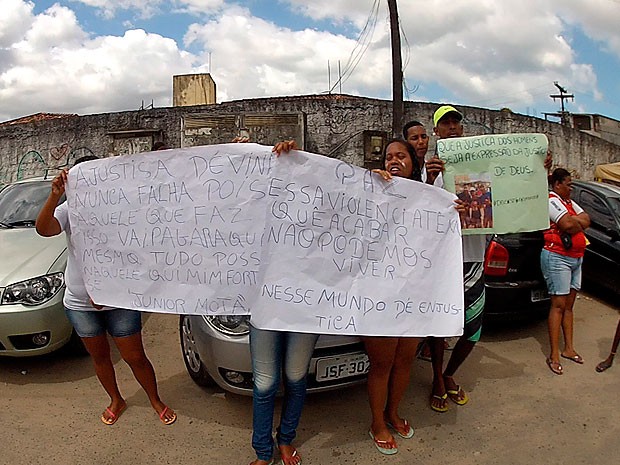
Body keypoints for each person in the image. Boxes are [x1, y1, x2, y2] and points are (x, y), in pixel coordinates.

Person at [35, 156, 176, 426]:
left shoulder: (124, 209)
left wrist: (108, 290)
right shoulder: (69, 209)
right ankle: (116, 399)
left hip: (119, 300)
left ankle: (154, 399)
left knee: (134, 357)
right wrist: (54, 196)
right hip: (79, 304)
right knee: (100, 357)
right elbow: (44, 229)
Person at [425, 105, 489, 413]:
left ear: (462, 129)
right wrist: (429, 180)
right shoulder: (433, 173)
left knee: (472, 330)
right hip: (446, 263)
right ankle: (437, 377)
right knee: (441, 326)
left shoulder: (484, 167)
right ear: (436, 132)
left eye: (455, 123)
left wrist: (536, 166)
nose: (451, 127)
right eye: (445, 124)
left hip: (475, 260)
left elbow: (519, 188)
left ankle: (450, 373)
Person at [541, 168, 590, 375]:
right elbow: (568, 225)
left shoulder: (569, 203)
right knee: (558, 305)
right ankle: (554, 354)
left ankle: (569, 348)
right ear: (558, 184)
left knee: (569, 306)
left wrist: (575, 221)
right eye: (568, 184)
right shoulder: (551, 200)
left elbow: (587, 219)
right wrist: (575, 221)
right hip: (557, 257)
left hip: (576, 257)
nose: (571, 188)